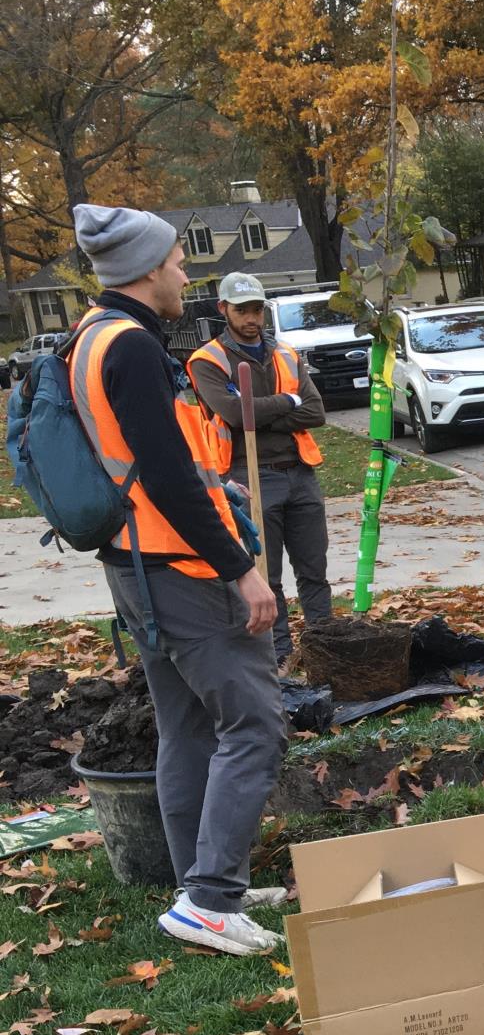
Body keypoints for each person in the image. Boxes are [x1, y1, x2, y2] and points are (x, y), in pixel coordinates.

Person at [70, 204, 285, 955]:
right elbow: (165, 476)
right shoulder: (128, 345)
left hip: (133, 565)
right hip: (179, 567)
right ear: (147, 268)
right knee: (254, 720)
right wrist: (243, 571)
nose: (185, 274)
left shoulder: (89, 336)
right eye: (177, 262)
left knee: (187, 725)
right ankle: (210, 900)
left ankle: (201, 881)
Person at [186, 271, 331, 664]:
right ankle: (279, 656)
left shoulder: (285, 353)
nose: (251, 318)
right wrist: (289, 401)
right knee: (266, 576)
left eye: (256, 310)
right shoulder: (208, 361)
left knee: (314, 570)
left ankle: (324, 648)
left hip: (299, 472)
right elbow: (233, 413)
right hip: (249, 476)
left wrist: (263, 413)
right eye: (242, 310)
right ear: (224, 310)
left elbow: (316, 411)